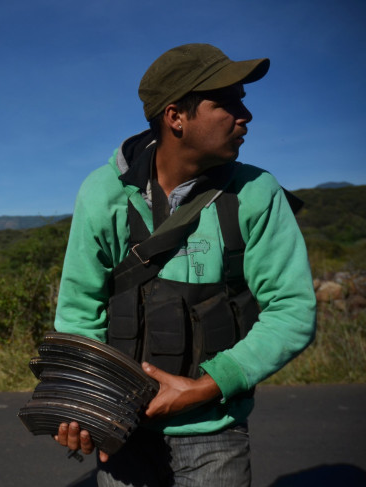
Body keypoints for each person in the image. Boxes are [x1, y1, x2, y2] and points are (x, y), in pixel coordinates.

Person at [51, 44, 317, 486]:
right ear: (176, 116)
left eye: (243, 102)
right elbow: (79, 312)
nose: (244, 115)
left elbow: (292, 310)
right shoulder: (103, 194)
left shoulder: (257, 193)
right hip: (123, 429)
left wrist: (206, 387)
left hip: (215, 433)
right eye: (227, 102)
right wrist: (83, 405)